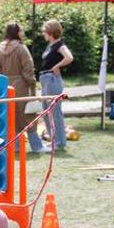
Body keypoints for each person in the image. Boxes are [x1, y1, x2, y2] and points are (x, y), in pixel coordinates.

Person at [0, 22, 43, 153]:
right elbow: (28, 68)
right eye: (21, 31)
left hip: (5, 86)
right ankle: (37, 146)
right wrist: (32, 83)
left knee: (10, 116)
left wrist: (1, 84)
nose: (22, 33)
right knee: (28, 116)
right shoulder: (21, 48)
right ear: (17, 32)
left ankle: (15, 147)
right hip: (21, 85)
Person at [37, 19, 73, 149]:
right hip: (46, 80)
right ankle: (54, 139)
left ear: (50, 32)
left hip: (52, 79)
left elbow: (69, 57)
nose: (43, 34)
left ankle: (60, 142)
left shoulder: (59, 45)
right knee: (46, 111)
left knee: (54, 111)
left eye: (44, 31)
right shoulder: (51, 45)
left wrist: (57, 66)